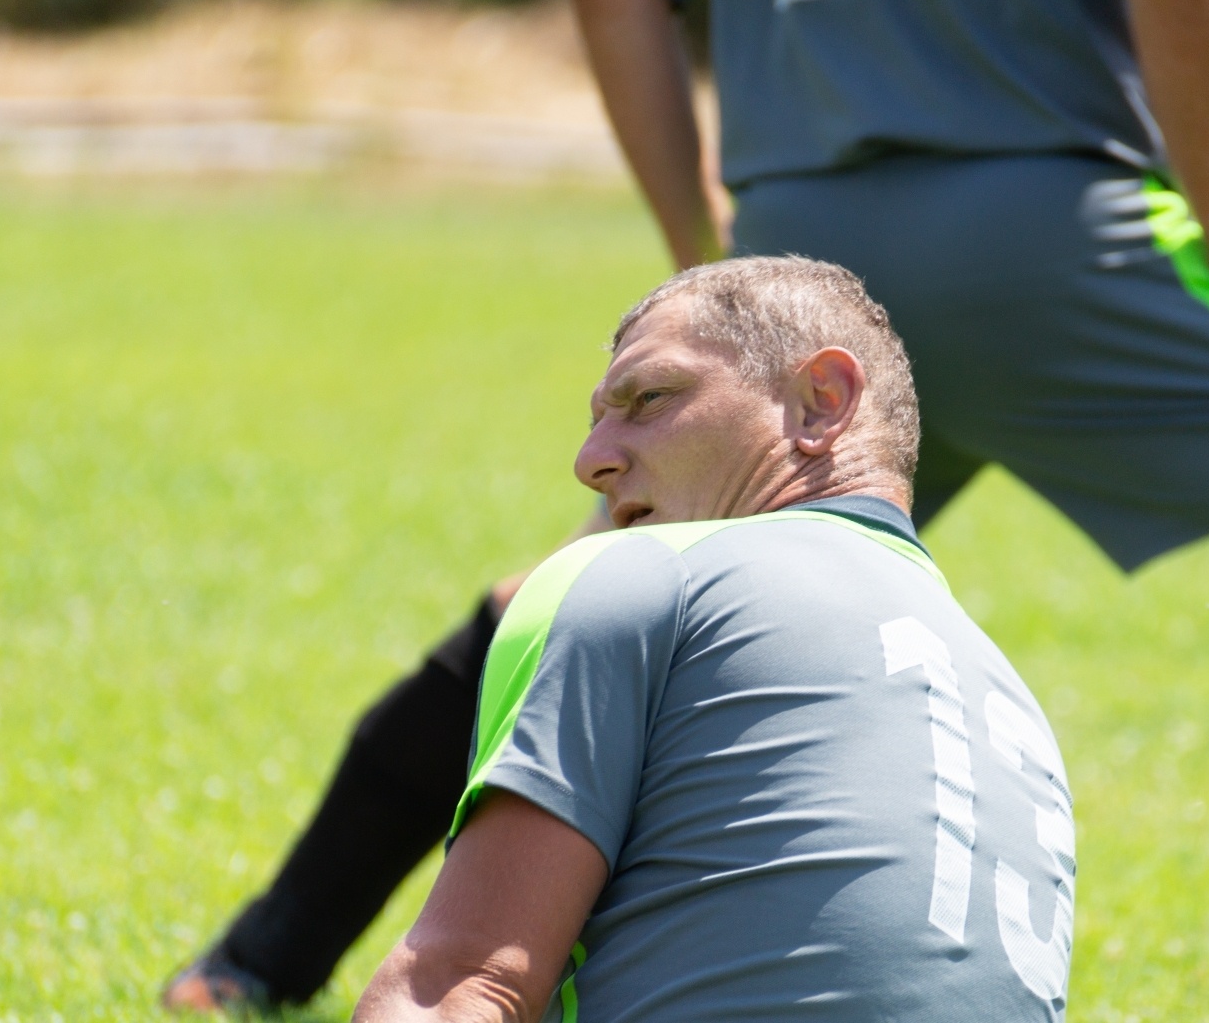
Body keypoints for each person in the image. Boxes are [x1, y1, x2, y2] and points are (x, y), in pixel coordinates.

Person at [166, 0, 1209, 1019]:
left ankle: (255, 958)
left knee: (577, 600)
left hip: (812, 237)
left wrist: (713, 277)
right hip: (1055, 237)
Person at [351, 255, 1076, 1022]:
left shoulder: (647, 576)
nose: (591, 461)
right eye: (597, 417)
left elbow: (462, 985)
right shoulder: (1007, 694)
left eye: (650, 398)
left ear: (820, 401)